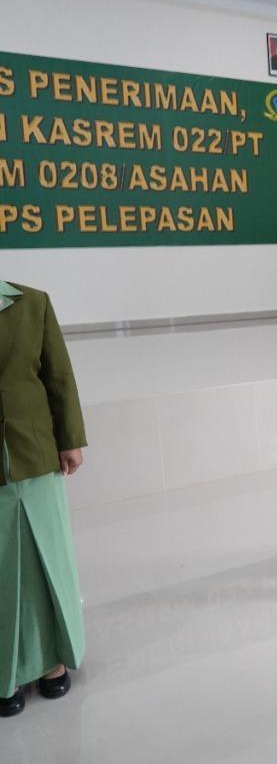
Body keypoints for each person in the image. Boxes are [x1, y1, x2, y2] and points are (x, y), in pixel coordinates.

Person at [0, 281, 87, 718]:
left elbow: (59, 376)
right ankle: (6, 673)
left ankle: (54, 660)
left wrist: (70, 438)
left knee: (46, 562)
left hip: (35, 454)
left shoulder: (33, 303)